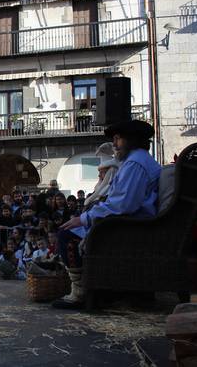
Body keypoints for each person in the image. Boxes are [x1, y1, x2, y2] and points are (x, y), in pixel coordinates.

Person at [53, 120, 161, 309]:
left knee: (66, 235)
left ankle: (80, 292)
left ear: (132, 140)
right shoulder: (136, 160)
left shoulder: (135, 163)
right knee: (72, 228)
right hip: (128, 223)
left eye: (118, 139)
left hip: (128, 226)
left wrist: (85, 218)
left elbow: (122, 204)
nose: (115, 144)